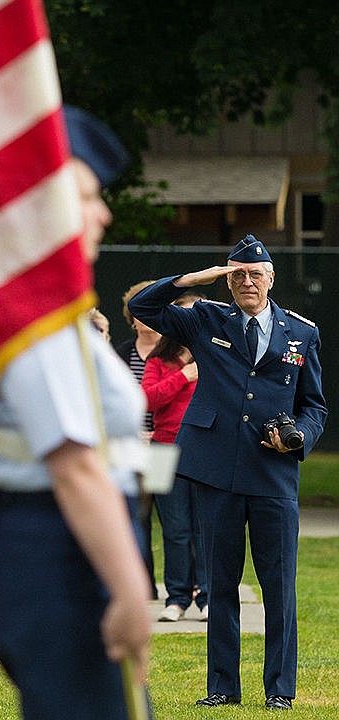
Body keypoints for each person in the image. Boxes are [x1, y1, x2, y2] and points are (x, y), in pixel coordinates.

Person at [0, 106, 152, 720]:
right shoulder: (35, 321)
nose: (103, 212)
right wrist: (131, 591)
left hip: (64, 544)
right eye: (86, 196)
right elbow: (75, 469)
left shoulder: (53, 310)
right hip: (55, 552)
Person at [128, 234, 327, 710]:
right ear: (227, 280)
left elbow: (314, 406)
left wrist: (297, 436)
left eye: (255, 274)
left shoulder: (302, 332)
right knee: (220, 583)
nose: (246, 282)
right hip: (215, 470)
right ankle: (222, 687)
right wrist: (196, 279)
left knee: (279, 587)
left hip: (273, 474)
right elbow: (142, 304)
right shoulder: (205, 319)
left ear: (271, 278)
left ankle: (279, 690)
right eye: (237, 274)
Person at [141, 291, 208, 622]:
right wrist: (183, 376)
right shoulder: (158, 360)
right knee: (173, 527)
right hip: (161, 450)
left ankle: (207, 595)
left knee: (206, 525)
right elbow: (146, 400)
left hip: (203, 450)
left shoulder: (213, 354)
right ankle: (177, 598)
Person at [116, 283, 161, 599]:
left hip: (163, 445)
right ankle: (142, 585)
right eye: (137, 312)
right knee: (138, 515)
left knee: (175, 522)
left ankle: (183, 588)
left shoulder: (175, 352)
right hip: (130, 446)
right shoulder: (120, 353)